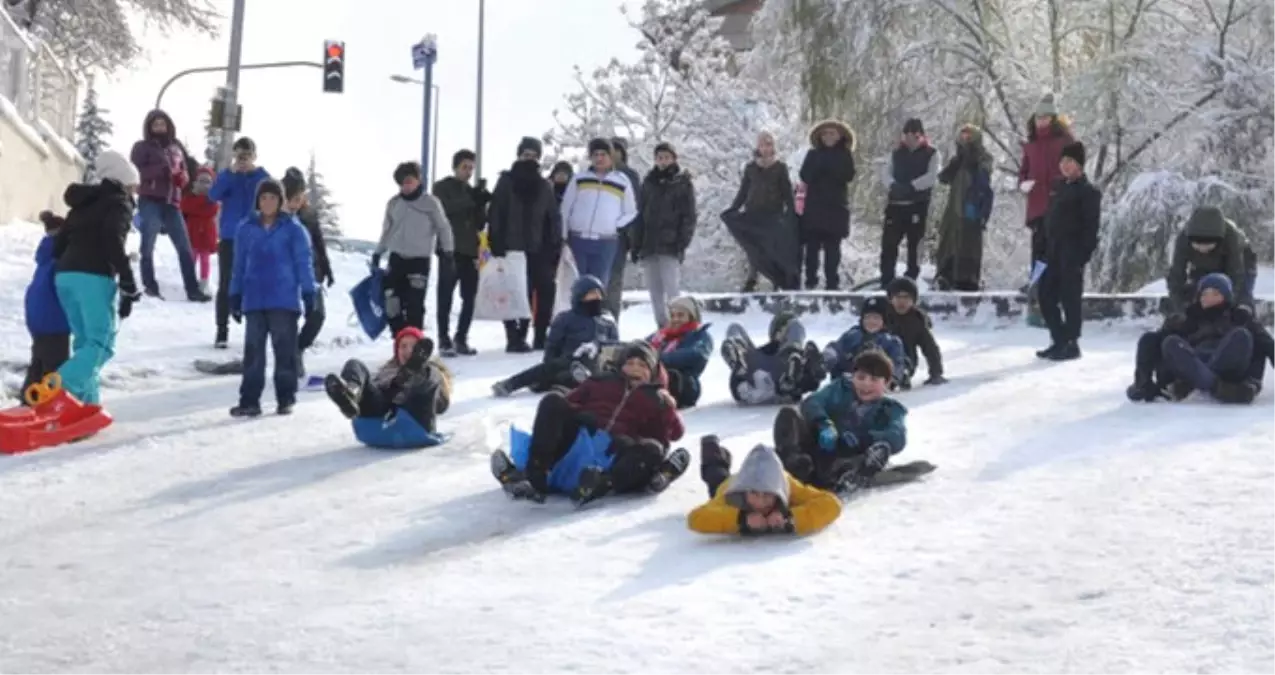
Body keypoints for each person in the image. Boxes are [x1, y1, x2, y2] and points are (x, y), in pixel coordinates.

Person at [489, 341, 687, 503]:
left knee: (652, 450)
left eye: (642, 365)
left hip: (611, 456)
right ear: (621, 365)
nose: (635, 368)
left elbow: (673, 435)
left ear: (652, 373)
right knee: (553, 400)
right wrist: (581, 414)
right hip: (576, 442)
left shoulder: (655, 399)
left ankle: (599, 484)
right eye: (630, 362)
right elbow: (565, 405)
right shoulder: (601, 382)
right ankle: (536, 472)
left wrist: (667, 408)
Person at [52, 150, 143, 405]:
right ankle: (58, 384)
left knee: (84, 344)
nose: (135, 193)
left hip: (65, 276)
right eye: (133, 186)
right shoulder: (119, 202)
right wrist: (127, 281)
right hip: (92, 277)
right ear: (124, 181)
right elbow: (113, 240)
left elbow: (59, 243)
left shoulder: (85, 202)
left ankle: (87, 404)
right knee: (101, 344)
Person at [228, 180, 317, 417]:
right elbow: (238, 265)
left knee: (284, 350)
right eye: (263, 198)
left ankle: (285, 397)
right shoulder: (246, 228)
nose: (268, 203)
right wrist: (234, 294)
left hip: (283, 299)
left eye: (273, 198)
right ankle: (249, 400)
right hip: (254, 298)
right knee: (253, 353)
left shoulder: (294, 229)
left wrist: (309, 293)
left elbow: (303, 263)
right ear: (258, 201)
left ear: (280, 201)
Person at [773, 350, 908, 499]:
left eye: (874, 379)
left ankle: (852, 473)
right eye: (861, 377)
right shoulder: (840, 388)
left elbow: (897, 436)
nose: (866, 384)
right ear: (853, 377)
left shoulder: (891, 409)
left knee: (864, 456)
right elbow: (812, 402)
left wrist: (863, 439)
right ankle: (793, 461)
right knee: (788, 414)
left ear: (886, 383)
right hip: (815, 447)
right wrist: (822, 422)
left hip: (845, 455)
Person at [1127, 273, 1275, 404]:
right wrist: (1143, 382)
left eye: (1215, 294)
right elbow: (1153, 344)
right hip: (1193, 365)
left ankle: (1201, 384)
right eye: (1204, 294)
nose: (1208, 298)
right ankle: (1212, 385)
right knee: (1169, 342)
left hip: (1229, 371)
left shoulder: (1239, 317)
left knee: (1242, 335)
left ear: (1226, 297)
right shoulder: (1188, 318)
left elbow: (1268, 343)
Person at [487, 137, 561, 352]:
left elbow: (552, 217)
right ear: (518, 156)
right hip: (511, 246)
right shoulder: (506, 182)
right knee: (515, 292)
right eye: (525, 155)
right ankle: (514, 336)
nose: (529, 159)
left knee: (545, 290)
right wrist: (496, 241)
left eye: (533, 155)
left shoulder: (544, 185)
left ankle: (539, 335)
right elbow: (496, 212)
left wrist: (553, 245)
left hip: (539, 248)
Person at [490, 275, 619, 397]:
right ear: (580, 296)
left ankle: (563, 381)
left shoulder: (607, 320)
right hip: (569, 362)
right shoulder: (566, 319)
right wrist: (565, 359)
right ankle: (512, 384)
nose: (596, 298)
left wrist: (597, 345)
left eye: (599, 294)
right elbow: (552, 347)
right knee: (559, 369)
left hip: (599, 363)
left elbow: (616, 346)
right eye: (592, 294)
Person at [128, 109, 208, 303]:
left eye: (162, 124)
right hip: (151, 199)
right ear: (149, 127)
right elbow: (136, 173)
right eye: (155, 125)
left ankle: (193, 289)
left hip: (173, 201)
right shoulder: (142, 147)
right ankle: (150, 286)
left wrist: (185, 178)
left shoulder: (176, 146)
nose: (159, 128)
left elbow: (185, 169)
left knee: (184, 246)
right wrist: (162, 170)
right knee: (148, 244)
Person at [689, 438, 841, 536]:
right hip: (730, 481)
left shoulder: (788, 485)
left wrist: (791, 517)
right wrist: (740, 519)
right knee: (716, 476)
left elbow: (832, 503)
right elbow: (696, 518)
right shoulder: (731, 490)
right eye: (754, 494)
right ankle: (712, 449)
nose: (761, 502)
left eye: (768, 495)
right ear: (745, 492)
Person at [326, 326, 452, 442]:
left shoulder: (432, 374)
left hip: (415, 419)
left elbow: (442, 405)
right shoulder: (386, 372)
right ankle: (351, 393)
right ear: (396, 351)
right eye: (403, 346)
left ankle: (414, 373)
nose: (408, 350)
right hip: (380, 419)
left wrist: (420, 380)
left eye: (414, 347)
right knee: (355, 364)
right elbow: (377, 395)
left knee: (429, 373)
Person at [371, 161, 454, 336]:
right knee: (392, 302)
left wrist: (448, 250)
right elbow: (387, 230)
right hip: (397, 258)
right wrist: (378, 252)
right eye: (403, 182)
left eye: (410, 181)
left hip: (419, 260)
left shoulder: (430, 203)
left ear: (418, 180)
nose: (406, 186)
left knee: (414, 305)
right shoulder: (394, 204)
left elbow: (443, 227)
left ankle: (415, 345)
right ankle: (399, 341)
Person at [1036, 141, 1101, 361]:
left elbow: (1091, 227)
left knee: (1070, 298)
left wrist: (1082, 255)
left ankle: (1072, 342)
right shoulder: (1058, 187)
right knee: (1045, 295)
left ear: (1079, 165)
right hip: (1052, 251)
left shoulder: (1088, 192)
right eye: (1062, 161)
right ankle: (1058, 339)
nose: (1064, 165)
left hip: (1072, 252)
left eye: (1070, 161)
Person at [208, 137, 271, 349]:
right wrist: (230, 174)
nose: (243, 161)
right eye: (239, 156)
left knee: (253, 283)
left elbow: (273, 200)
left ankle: (254, 331)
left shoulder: (262, 178)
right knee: (225, 283)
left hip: (255, 238)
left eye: (247, 156)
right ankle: (221, 331)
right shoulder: (228, 176)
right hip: (229, 237)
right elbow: (213, 195)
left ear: (254, 156)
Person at [630, 142, 697, 327]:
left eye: (667, 157)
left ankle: (679, 326)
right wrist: (636, 245)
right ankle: (662, 326)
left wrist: (682, 242)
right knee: (655, 292)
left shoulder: (682, 183)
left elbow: (689, 216)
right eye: (660, 157)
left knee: (672, 290)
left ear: (674, 159)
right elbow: (640, 214)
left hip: (670, 245)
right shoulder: (649, 182)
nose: (663, 161)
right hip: (649, 245)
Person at [432, 149, 490, 357]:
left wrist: (482, 204)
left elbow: (480, 223)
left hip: (470, 250)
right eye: (464, 167)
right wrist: (472, 201)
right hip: (450, 249)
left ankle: (461, 337)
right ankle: (443, 338)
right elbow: (444, 209)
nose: (468, 172)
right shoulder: (442, 187)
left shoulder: (470, 192)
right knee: (445, 295)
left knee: (469, 296)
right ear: (455, 167)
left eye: (471, 168)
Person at [724, 131, 799, 292]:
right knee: (754, 249)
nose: (766, 148)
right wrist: (733, 209)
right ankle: (752, 279)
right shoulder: (751, 168)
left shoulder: (780, 168)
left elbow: (786, 192)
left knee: (773, 249)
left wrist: (791, 213)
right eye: (763, 145)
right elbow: (743, 191)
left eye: (769, 144)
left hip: (773, 215)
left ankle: (777, 280)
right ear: (758, 147)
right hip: (753, 214)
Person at [560, 138, 637, 285]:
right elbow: (565, 208)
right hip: (577, 240)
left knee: (598, 285)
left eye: (603, 154)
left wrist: (614, 224)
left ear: (611, 156)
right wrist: (563, 235)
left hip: (605, 242)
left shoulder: (622, 181)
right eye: (595, 155)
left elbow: (631, 211)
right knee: (575, 283)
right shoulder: (580, 179)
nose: (599, 158)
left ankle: (595, 308)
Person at [281, 167, 335, 377]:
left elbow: (318, 242)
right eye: (292, 197)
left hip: (312, 273)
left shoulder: (309, 214)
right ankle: (290, 358)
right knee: (289, 319)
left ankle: (298, 348)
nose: (296, 202)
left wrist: (327, 268)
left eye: (299, 197)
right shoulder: (277, 216)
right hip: (287, 275)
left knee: (318, 315)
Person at [1018, 93, 1075, 280]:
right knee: (1038, 245)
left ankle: (1054, 283)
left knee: (1056, 245)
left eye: (1045, 118)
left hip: (1058, 202)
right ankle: (1036, 282)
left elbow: (1073, 168)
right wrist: (1023, 184)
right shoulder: (1031, 145)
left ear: (1053, 119)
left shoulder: (1065, 141)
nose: (1041, 122)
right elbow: (1024, 171)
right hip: (1036, 204)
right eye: (1038, 118)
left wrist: (1059, 185)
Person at [878, 118, 939, 286]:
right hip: (895, 205)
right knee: (889, 245)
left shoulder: (931, 154)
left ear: (921, 136)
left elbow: (932, 176)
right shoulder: (896, 153)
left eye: (915, 135)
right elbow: (886, 173)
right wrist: (893, 185)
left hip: (917, 205)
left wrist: (913, 186)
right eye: (908, 135)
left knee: (915, 245)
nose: (911, 139)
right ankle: (887, 279)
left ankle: (911, 278)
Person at [933, 124, 995, 291]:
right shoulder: (958, 159)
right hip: (954, 206)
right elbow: (944, 178)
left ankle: (967, 279)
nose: (965, 139)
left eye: (968, 136)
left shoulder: (982, 157)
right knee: (949, 240)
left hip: (971, 205)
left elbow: (985, 174)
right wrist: (957, 161)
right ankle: (946, 275)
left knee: (969, 242)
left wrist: (970, 158)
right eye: (962, 136)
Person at [798, 119, 857, 290]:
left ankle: (832, 283)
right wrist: (820, 166)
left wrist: (829, 167)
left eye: (832, 133)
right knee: (812, 248)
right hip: (814, 207)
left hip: (836, 208)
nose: (829, 136)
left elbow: (848, 175)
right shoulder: (813, 154)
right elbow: (805, 176)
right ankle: (810, 281)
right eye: (825, 133)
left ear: (840, 136)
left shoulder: (845, 155)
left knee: (833, 249)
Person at [720, 312, 825, 405]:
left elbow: (812, 382)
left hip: (782, 382)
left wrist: (815, 369)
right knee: (735, 327)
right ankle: (736, 358)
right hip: (754, 376)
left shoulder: (802, 359)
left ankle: (789, 377)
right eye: (784, 329)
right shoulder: (759, 353)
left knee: (806, 355)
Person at [1166, 206, 1257, 311]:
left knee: (1242, 296)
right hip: (1202, 265)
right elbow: (1176, 275)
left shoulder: (1232, 238)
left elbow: (1237, 275)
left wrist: (1231, 306)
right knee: (1197, 292)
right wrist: (1179, 307)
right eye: (1197, 245)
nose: (1202, 249)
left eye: (1208, 245)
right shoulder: (1183, 239)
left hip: (1241, 262)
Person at [22, 211, 71, 401]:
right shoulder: (61, 259)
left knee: (38, 364)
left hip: (37, 317)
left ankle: (27, 403)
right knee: (54, 370)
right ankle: (50, 406)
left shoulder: (46, 255)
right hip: (54, 320)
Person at [822, 296, 908, 387]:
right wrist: (830, 355)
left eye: (876, 318)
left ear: (884, 321)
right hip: (846, 381)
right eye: (867, 318)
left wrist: (893, 378)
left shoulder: (890, 341)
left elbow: (897, 362)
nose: (871, 321)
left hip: (875, 383)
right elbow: (837, 347)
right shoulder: (852, 335)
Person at [645, 296, 713, 409]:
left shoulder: (699, 335)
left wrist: (658, 359)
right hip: (655, 377)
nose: (676, 319)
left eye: (680, 315)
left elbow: (697, 355)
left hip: (683, 384)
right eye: (672, 316)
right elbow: (642, 347)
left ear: (691, 317)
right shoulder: (662, 335)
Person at [605, 137, 644, 322]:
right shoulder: (595, 173)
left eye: (615, 150)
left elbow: (634, 208)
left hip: (618, 236)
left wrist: (633, 240)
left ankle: (611, 321)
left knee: (613, 281)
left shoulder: (629, 175)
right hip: (595, 235)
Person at [884, 277, 946, 386]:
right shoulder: (882, 316)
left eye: (906, 298)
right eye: (898, 297)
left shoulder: (917, 321)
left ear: (913, 301)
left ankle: (899, 377)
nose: (902, 302)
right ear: (891, 299)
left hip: (906, 360)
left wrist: (936, 373)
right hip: (881, 358)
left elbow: (930, 348)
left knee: (902, 366)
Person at [180, 166, 219, 295]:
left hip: (206, 234)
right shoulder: (190, 197)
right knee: (192, 257)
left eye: (207, 182)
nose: (204, 185)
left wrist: (199, 204)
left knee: (205, 260)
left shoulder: (213, 200)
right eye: (201, 181)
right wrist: (199, 202)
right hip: (192, 232)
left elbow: (211, 211)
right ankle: (190, 281)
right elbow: (185, 208)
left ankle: (204, 282)